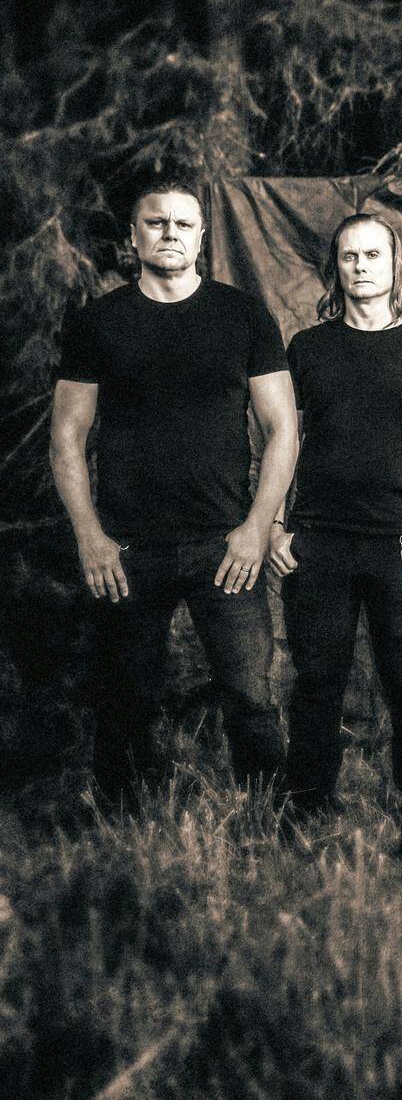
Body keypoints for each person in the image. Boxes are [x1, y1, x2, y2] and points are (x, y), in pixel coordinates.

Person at [50, 180, 298, 799]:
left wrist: (256, 528)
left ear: (201, 237)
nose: (170, 233)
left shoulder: (242, 315)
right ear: (133, 237)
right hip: (127, 547)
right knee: (123, 701)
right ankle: (123, 826)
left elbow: (283, 430)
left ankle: (272, 819)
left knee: (251, 696)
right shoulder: (99, 322)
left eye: (183, 224)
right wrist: (90, 537)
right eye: (156, 222)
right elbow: (67, 439)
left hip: (226, 543)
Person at [268, 213, 402, 838]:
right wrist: (276, 525)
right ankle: (305, 810)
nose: (361, 267)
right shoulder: (308, 347)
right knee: (317, 681)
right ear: (335, 267)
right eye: (350, 256)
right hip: (320, 539)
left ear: (396, 264)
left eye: (373, 255)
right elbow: (283, 440)